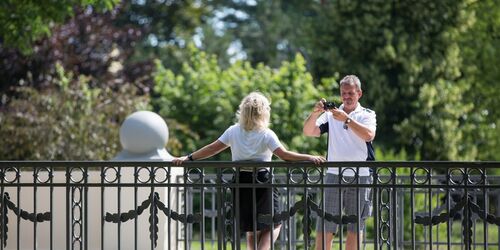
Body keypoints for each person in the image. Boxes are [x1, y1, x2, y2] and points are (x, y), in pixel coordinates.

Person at [173, 91, 325, 250]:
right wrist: (309, 157)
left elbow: (212, 148)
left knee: (251, 228)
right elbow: (284, 155)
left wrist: (188, 158)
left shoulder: (233, 131)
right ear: (264, 112)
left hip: (240, 181)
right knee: (274, 224)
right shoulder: (266, 134)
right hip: (262, 181)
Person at [303, 75, 376, 250]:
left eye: (350, 93)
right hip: (334, 174)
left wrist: (346, 119)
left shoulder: (367, 114)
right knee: (326, 224)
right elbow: (308, 131)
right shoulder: (331, 115)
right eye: (343, 93)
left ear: (359, 93)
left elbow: (369, 135)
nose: (346, 97)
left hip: (361, 176)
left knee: (355, 226)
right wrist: (315, 114)